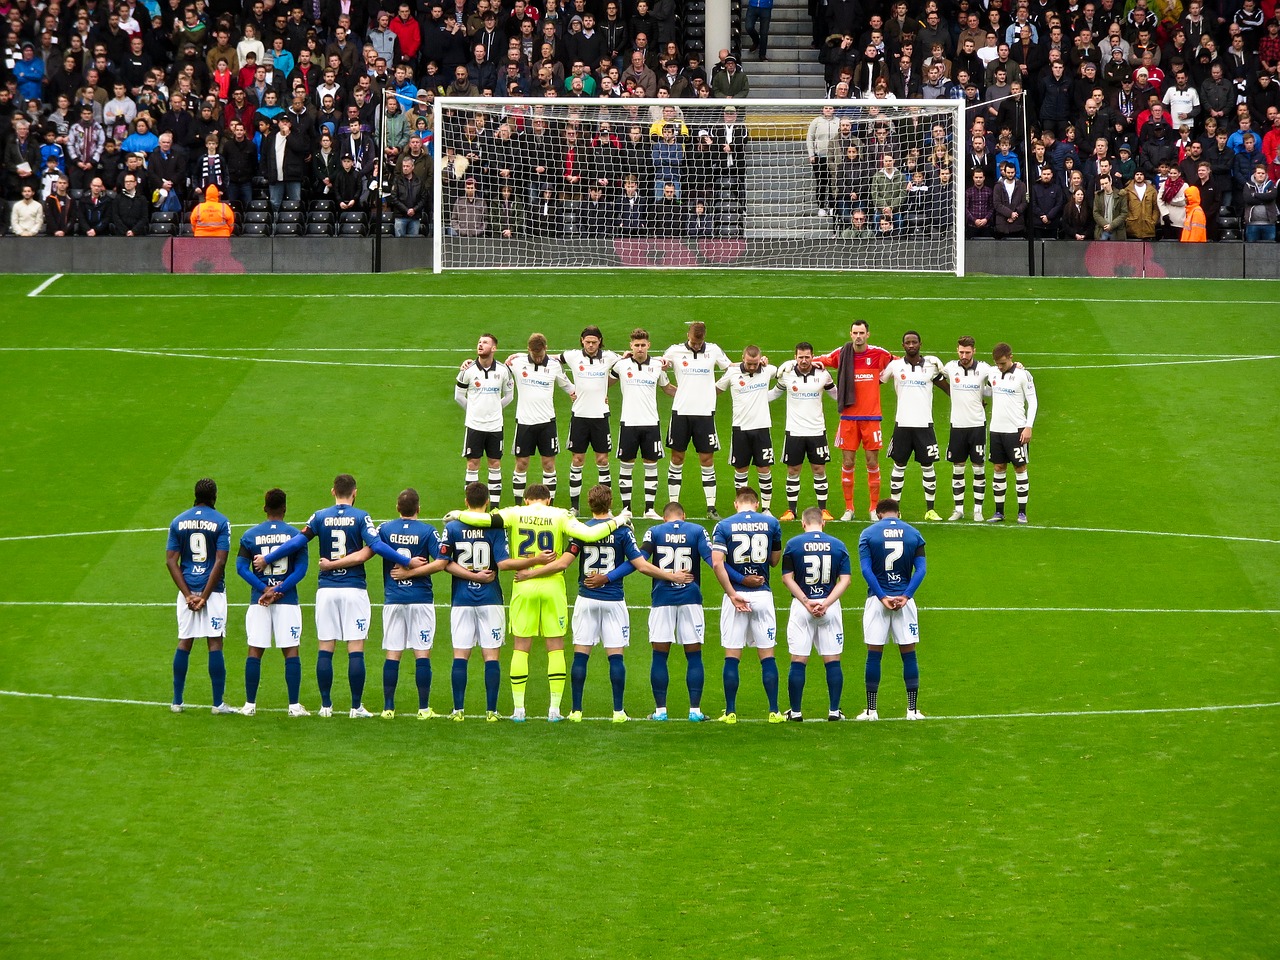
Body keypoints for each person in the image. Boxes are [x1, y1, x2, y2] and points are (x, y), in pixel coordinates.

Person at [448, 485, 632, 722]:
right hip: (552, 586)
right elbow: (588, 535)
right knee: (555, 647)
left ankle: (519, 711)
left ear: (526, 500)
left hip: (523, 584)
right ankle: (554, 711)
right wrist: (618, 520)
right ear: (548, 500)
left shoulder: (514, 513)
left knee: (520, 647)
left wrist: (458, 514)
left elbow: (484, 520)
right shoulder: (560, 514)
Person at [253, 474, 418, 717]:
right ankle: (355, 707)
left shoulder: (319, 516)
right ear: (355, 493)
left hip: (327, 590)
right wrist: (406, 561)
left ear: (333, 491)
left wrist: (268, 557)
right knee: (355, 648)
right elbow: (378, 546)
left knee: (325, 647)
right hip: (353, 589)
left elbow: (298, 542)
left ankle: (325, 706)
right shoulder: (361, 516)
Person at [567, 485, 688, 722]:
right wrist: (672, 575)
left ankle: (576, 711)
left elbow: (566, 560)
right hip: (613, 600)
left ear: (589, 504)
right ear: (610, 502)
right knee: (616, 656)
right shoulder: (622, 531)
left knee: (581, 655)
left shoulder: (580, 530)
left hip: (586, 598)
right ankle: (618, 711)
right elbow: (640, 564)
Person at [324, 489, 448, 719]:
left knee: (393, 654)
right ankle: (423, 709)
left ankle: (388, 708)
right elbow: (442, 562)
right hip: (420, 599)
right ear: (418, 509)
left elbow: (367, 552)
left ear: (397, 508)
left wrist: (334, 563)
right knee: (422, 654)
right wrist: (414, 571)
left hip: (392, 600)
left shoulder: (384, 529)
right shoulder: (428, 531)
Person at [440, 483, 519, 722]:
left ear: (466, 502)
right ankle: (491, 711)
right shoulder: (496, 528)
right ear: (487, 502)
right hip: (490, 599)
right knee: (491, 656)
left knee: (460, 655)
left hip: (462, 599)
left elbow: (444, 562)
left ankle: (458, 710)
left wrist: (470, 576)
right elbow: (503, 562)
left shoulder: (452, 527)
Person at [710, 486, 785, 724]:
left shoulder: (723, 526)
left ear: (736, 504)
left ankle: (730, 712)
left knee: (732, 656)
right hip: (762, 594)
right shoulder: (771, 523)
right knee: (768, 656)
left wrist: (733, 592)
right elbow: (774, 561)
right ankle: (774, 711)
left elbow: (717, 564)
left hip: (736, 596)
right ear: (756, 503)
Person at [234, 487, 310, 717]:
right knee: (291, 651)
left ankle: (249, 705)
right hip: (287, 601)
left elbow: (240, 568)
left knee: (255, 650)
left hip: (259, 601)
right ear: (285, 508)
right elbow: (302, 569)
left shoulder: (250, 535)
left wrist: (264, 589)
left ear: (265, 508)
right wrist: (279, 589)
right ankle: (294, 706)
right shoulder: (296, 536)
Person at [813, 320, 894, 522]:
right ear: (850, 334)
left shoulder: (879, 354)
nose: (858, 336)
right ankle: (849, 508)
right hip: (848, 417)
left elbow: (900, 363)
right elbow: (817, 360)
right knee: (848, 462)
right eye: (855, 333)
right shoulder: (842, 354)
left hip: (871, 418)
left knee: (872, 462)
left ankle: (874, 509)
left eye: (862, 333)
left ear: (868, 334)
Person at [165, 478, 233, 714]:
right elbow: (220, 561)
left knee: (185, 641)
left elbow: (171, 560)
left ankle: (176, 701)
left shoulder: (178, 521)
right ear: (214, 496)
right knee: (214, 642)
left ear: (195, 495)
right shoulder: (221, 522)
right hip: (212, 593)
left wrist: (187, 595)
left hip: (187, 589)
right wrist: (204, 596)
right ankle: (217, 704)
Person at [855, 498, 927, 721]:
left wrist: (882, 596)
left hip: (878, 601)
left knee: (874, 655)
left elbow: (866, 570)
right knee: (909, 655)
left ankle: (871, 710)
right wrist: (906, 595)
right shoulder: (914, 534)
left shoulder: (868, 534)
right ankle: (912, 710)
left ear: (878, 514)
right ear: (899, 513)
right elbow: (921, 570)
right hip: (904, 602)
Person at [781, 507, 853, 721]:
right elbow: (846, 580)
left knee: (798, 659)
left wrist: (806, 602)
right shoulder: (838, 545)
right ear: (823, 523)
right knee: (832, 659)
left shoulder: (793, 544)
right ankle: (833, 710)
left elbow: (787, 578)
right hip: (829, 607)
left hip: (802, 607)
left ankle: (795, 712)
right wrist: (827, 603)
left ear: (803, 523)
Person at [663, 321, 731, 517]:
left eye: (699, 343)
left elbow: (731, 368)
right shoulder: (675, 351)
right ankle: (672, 505)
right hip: (681, 413)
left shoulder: (714, 350)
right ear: (688, 335)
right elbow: (659, 365)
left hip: (705, 413)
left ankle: (711, 507)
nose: (696, 346)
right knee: (676, 458)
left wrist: (717, 387)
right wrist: (667, 381)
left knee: (707, 459)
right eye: (693, 342)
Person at [610, 329, 677, 520]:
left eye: (643, 345)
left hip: (651, 423)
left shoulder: (657, 366)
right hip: (628, 423)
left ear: (649, 345)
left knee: (651, 465)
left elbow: (667, 388)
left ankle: (649, 509)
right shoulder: (621, 365)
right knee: (626, 465)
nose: (640, 348)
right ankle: (626, 509)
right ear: (631, 345)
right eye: (636, 345)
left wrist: (689, 395)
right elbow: (607, 382)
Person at [879, 331, 946, 521]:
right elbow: (875, 382)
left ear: (920, 344)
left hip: (925, 424)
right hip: (903, 424)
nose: (911, 345)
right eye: (907, 342)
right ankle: (894, 511)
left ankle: (930, 510)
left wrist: (975, 401)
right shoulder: (895, 366)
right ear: (903, 346)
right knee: (899, 466)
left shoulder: (931, 367)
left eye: (914, 342)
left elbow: (948, 387)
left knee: (928, 466)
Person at [769, 342, 838, 521]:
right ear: (795, 357)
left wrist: (853, 404)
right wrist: (754, 398)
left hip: (817, 431)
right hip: (794, 431)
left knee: (819, 469)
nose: (804, 360)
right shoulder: (787, 375)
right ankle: (791, 510)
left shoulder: (823, 374)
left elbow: (836, 395)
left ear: (812, 357)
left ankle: (823, 510)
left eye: (807, 357)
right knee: (793, 470)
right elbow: (775, 393)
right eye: (801, 357)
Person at [506, 333, 576, 505]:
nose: (537, 358)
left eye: (540, 355)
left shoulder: (554, 366)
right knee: (521, 464)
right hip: (524, 423)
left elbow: (568, 386)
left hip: (547, 423)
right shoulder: (516, 362)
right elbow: (496, 370)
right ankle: (518, 505)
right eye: (534, 354)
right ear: (528, 349)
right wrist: (468, 364)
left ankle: (549, 506)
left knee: (548, 464)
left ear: (546, 348)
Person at [559, 327, 620, 515]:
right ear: (582, 341)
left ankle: (605, 507)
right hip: (579, 416)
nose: (591, 345)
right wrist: (569, 387)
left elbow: (627, 363)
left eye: (594, 342)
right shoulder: (572, 356)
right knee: (577, 460)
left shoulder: (609, 357)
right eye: (587, 342)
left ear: (600, 341)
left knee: (602, 460)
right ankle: (574, 506)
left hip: (600, 416)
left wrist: (605, 386)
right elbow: (550, 360)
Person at [714, 345, 778, 514]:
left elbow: (779, 371)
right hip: (740, 429)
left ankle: (766, 508)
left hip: (762, 428)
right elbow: (716, 390)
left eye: (755, 363)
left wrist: (765, 363)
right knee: (741, 469)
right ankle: (742, 507)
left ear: (761, 359)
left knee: (764, 469)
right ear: (743, 358)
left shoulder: (767, 370)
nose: (752, 366)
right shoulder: (732, 374)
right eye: (749, 363)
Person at [456, 334, 514, 509]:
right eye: (479, 342)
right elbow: (458, 396)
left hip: (495, 426)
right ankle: (472, 507)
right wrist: (473, 410)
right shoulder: (468, 370)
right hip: (474, 426)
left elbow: (509, 396)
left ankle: (494, 507)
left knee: (495, 464)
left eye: (485, 343)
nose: (480, 345)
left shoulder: (503, 371)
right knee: (473, 464)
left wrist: (495, 409)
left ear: (494, 348)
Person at [939, 336, 993, 522]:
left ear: (974, 351)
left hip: (977, 425)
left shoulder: (984, 369)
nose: (964, 355)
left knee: (978, 468)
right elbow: (933, 372)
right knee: (958, 468)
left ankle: (978, 509)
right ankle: (958, 509)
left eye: (967, 352)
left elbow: (998, 379)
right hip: (957, 425)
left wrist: (1017, 366)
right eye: (961, 352)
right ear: (957, 350)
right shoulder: (950, 367)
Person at [986, 343, 1038, 524]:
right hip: (996, 430)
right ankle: (998, 512)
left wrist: (1028, 426)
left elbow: (1033, 402)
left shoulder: (1023, 376)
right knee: (998, 468)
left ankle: (1022, 512)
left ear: (1011, 357)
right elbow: (984, 388)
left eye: (1002, 363)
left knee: (1020, 468)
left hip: (1016, 429)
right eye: (997, 363)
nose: (1000, 367)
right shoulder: (992, 373)